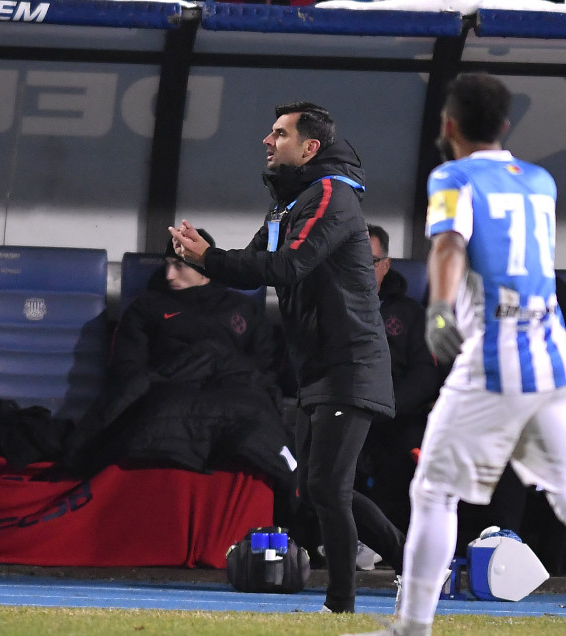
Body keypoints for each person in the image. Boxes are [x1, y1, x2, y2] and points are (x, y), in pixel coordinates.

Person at [349, 73, 566, 636]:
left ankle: (411, 627)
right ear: (506, 126)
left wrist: (439, 309)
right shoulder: (539, 181)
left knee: (434, 491)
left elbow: (446, 245)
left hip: (497, 353)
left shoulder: (453, 176)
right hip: (555, 358)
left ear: (449, 124)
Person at [169, 102, 403, 613]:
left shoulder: (330, 194)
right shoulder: (286, 204)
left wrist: (210, 260)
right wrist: (203, 255)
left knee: (327, 486)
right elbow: (256, 265)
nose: (266, 141)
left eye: (278, 133)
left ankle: (340, 604)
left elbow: (290, 264)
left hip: (351, 363)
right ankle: (412, 561)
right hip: (316, 368)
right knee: (314, 487)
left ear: (309, 147)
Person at [62, 230, 297, 501]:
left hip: (236, 393)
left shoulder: (243, 310)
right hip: (169, 391)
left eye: (179, 265)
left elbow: (264, 369)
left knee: (258, 417)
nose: (169, 275)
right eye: (167, 265)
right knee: (160, 416)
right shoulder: (147, 308)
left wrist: (217, 361)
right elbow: (127, 369)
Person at [359, 225, 441, 531]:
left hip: (395, 412)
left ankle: (389, 540)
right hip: (346, 408)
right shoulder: (331, 305)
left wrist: (385, 405)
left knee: (405, 450)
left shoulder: (411, 314)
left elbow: (425, 373)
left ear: (386, 264)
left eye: (369, 261)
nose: (360, 268)